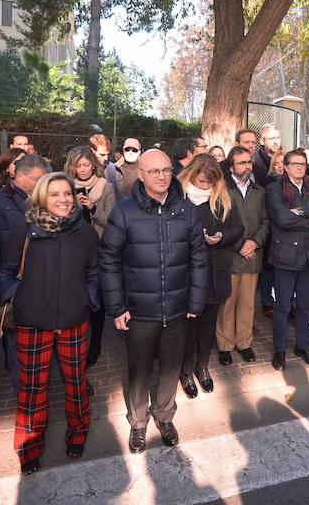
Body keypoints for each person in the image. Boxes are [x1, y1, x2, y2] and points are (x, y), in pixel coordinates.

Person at [100, 149, 208, 454]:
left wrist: (195, 301)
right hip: (139, 311)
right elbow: (108, 261)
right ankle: (138, 422)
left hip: (177, 308)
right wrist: (117, 307)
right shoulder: (124, 211)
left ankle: (164, 414)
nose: (162, 176)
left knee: (171, 368)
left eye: (166, 170)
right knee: (139, 369)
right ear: (141, 175)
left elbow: (199, 260)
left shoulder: (186, 211)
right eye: (154, 171)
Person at [0, 172, 100, 474]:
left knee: (76, 384)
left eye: (67, 193)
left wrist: (87, 299)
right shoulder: (22, 233)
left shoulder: (86, 233)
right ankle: (28, 447)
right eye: (54, 194)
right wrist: (22, 297)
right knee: (32, 389)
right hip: (32, 324)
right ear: (40, 197)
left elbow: (94, 274)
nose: (63, 199)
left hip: (74, 321)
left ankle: (78, 433)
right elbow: (3, 273)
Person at [178, 155, 243, 396]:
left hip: (216, 273)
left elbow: (238, 228)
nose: (205, 186)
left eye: (209, 182)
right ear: (191, 175)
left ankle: (202, 366)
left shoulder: (222, 198)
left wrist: (221, 238)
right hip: (187, 275)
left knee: (207, 326)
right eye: (201, 181)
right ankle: (185, 370)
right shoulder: (178, 197)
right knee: (188, 327)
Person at [266, 149, 309, 370]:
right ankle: (280, 350)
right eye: (294, 164)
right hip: (286, 255)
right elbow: (282, 218)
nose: (299, 167)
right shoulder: (274, 188)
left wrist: (303, 210)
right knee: (283, 307)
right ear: (285, 166)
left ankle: (303, 345)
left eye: (302, 164)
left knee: (305, 305)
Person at [0, 154, 51, 393]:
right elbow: (0, 243)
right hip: (18, 287)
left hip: (47, 288)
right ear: (20, 175)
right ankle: (25, 399)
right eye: (38, 179)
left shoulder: (45, 199)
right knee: (18, 354)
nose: (42, 184)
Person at [65, 146, 117, 368]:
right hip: (72, 250)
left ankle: (95, 345)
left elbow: (112, 220)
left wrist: (93, 207)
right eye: (79, 165)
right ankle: (76, 342)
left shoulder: (106, 186)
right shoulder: (64, 187)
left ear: (93, 165)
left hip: (98, 249)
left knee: (98, 298)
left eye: (87, 164)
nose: (83, 169)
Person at [219, 146, 269, 364]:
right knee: (227, 304)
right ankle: (225, 345)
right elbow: (218, 223)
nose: (248, 166)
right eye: (242, 162)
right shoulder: (220, 190)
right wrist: (240, 244)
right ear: (231, 166)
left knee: (248, 304)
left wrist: (255, 242)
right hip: (231, 256)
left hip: (252, 257)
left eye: (249, 162)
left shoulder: (259, 191)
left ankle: (244, 343)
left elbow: (266, 222)